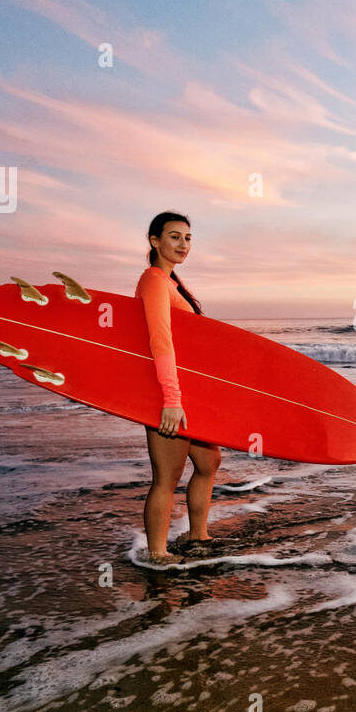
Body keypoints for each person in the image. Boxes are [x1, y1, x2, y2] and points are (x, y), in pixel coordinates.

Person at [136, 211, 220, 563]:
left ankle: (197, 536)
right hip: (166, 395)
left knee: (209, 461)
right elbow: (160, 340)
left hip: (186, 393)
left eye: (187, 238)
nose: (183, 244)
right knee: (166, 478)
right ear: (155, 241)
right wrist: (171, 399)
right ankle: (157, 553)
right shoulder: (154, 280)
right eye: (174, 236)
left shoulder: (173, 283)